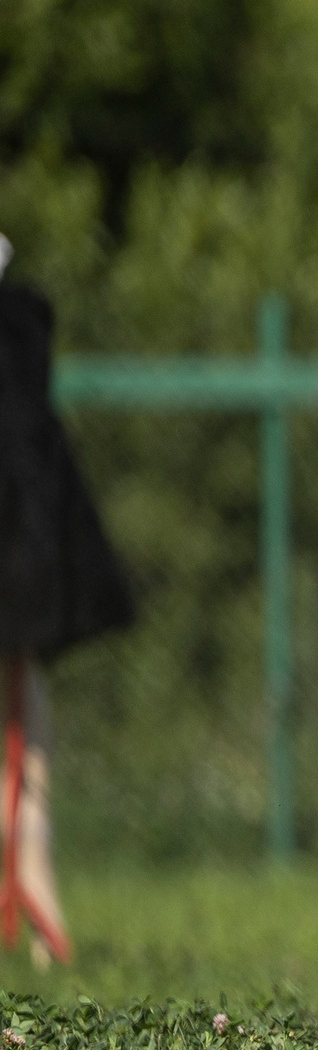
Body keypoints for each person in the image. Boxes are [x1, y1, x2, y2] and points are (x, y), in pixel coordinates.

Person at [0, 236, 135, 964]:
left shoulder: (19, 330)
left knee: (23, 692)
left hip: (21, 540)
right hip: (24, 538)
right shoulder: (23, 328)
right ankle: (28, 865)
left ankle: (31, 865)